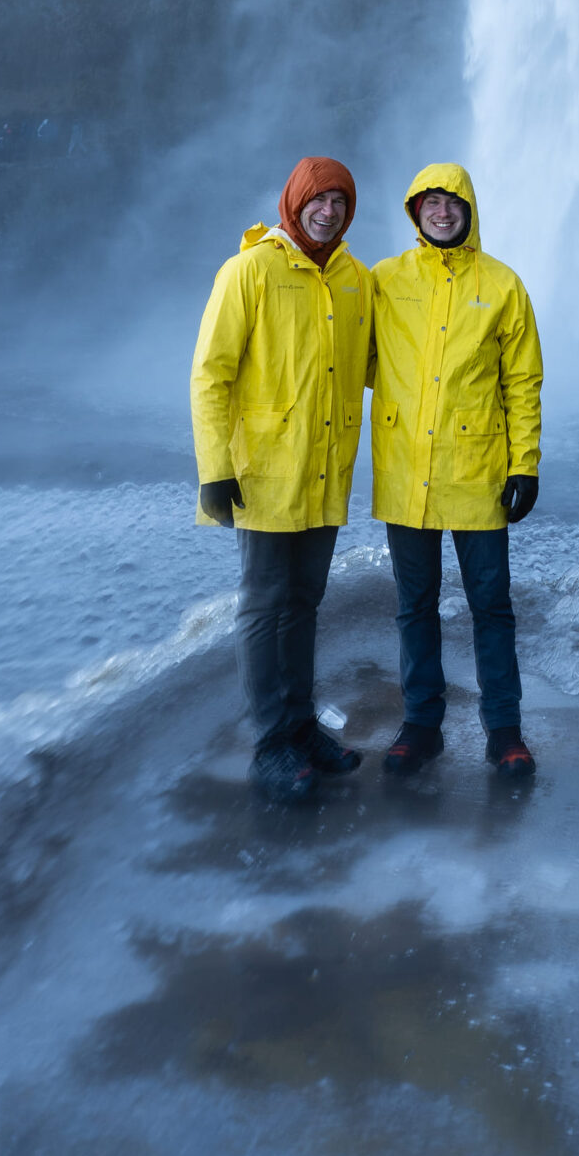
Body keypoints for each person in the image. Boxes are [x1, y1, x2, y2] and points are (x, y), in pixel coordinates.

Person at [190, 152, 375, 803]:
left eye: (341, 204)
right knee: (266, 605)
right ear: (293, 204)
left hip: (323, 473)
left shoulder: (354, 279)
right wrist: (215, 472)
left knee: (304, 603)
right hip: (264, 473)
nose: (328, 213)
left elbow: (385, 364)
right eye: (318, 201)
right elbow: (210, 375)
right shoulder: (251, 271)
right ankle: (271, 747)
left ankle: (302, 728)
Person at [370, 159, 542, 780]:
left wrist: (525, 464)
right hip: (405, 471)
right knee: (413, 606)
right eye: (430, 202)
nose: (442, 212)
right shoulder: (385, 280)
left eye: (453, 202)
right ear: (415, 211)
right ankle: (421, 726)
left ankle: (504, 730)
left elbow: (522, 382)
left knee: (490, 606)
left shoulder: (502, 285)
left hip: (478, 473)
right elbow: (339, 355)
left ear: (469, 211)